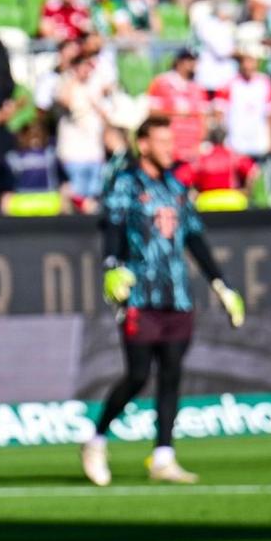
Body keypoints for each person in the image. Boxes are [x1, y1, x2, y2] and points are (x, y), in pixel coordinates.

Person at [82, 115, 245, 488]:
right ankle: (96, 440)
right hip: (140, 293)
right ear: (144, 145)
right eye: (162, 141)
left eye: (171, 142)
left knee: (171, 373)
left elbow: (194, 238)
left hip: (177, 295)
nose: (170, 148)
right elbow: (112, 228)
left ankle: (163, 455)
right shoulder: (126, 184)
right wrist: (111, 266)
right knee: (138, 374)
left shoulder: (176, 187)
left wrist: (221, 284)